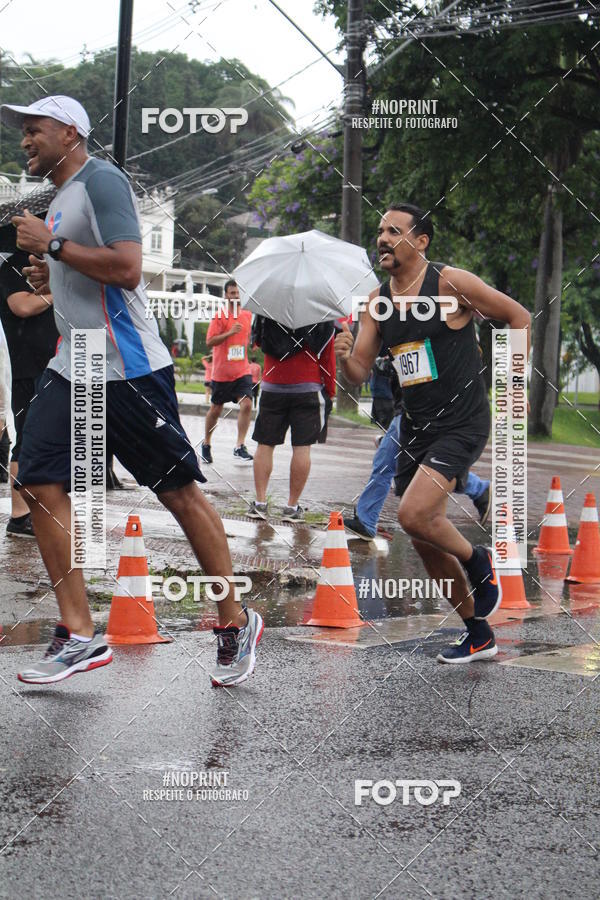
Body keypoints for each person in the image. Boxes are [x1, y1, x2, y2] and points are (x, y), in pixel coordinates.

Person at [3, 95, 262, 686]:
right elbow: (88, 269)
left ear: (70, 132)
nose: (25, 141)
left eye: (34, 129)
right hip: (76, 364)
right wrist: (56, 270)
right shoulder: (62, 197)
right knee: (35, 478)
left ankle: (233, 619)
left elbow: (127, 268)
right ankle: (79, 635)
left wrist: (54, 248)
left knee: (178, 494)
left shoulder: (103, 182)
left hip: (129, 368)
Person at [335, 203, 530, 664]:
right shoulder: (376, 303)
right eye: (380, 231)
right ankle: (477, 632)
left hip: (462, 420)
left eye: (394, 231)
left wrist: (511, 388)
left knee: (413, 514)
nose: (383, 238)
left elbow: (518, 316)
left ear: (420, 241)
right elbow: (360, 372)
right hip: (414, 426)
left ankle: (479, 561)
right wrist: (344, 355)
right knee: (424, 536)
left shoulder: (450, 283)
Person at [344, 364, 491, 540]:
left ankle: (478, 489)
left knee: (415, 467)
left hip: (420, 409)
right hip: (407, 407)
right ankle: (366, 520)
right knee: (386, 462)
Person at [249, 315, 336, 522]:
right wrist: (330, 390)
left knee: (265, 444)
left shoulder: (267, 309)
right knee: (302, 447)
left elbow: (258, 342)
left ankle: (260, 504)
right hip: (307, 386)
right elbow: (327, 356)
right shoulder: (321, 312)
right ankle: (291, 507)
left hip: (272, 385)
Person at [0, 249, 59, 537]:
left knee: (44, 438)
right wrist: (57, 293)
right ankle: (20, 514)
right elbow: (20, 306)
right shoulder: (13, 265)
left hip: (51, 364)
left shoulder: (50, 265)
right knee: (25, 436)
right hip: (25, 366)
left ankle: (37, 509)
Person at [201, 280, 253, 464]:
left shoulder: (247, 315)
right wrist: (229, 333)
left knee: (247, 404)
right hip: (222, 373)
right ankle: (206, 444)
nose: (236, 296)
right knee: (216, 409)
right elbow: (210, 342)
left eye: (238, 293)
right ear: (226, 295)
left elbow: (247, 338)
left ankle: (240, 445)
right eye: (232, 293)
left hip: (242, 371)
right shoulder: (220, 316)